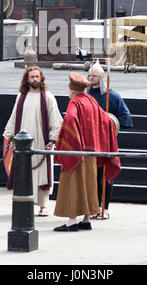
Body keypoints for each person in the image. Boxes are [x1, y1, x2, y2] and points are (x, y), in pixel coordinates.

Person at [53, 72, 121, 232]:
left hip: (76, 151)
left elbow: (69, 120)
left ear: (71, 90)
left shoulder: (74, 103)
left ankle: (71, 222)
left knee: (73, 185)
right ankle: (86, 219)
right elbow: (107, 121)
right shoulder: (91, 100)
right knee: (90, 185)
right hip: (92, 154)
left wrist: (71, 143)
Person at [3, 66, 63, 217]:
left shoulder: (48, 97)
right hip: (24, 143)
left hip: (42, 142)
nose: (35, 79)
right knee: (24, 173)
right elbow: (14, 117)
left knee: (42, 174)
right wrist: (10, 137)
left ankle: (43, 206)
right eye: (32, 77)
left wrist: (52, 139)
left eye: (37, 76)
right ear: (27, 79)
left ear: (41, 78)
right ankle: (25, 204)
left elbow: (55, 119)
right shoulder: (21, 96)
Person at [86, 59, 133, 219]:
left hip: (106, 141)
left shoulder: (112, 96)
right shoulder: (85, 95)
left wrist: (110, 121)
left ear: (101, 77)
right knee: (92, 175)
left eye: (94, 75)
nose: (91, 78)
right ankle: (94, 207)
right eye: (90, 75)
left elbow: (125, 116)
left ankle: (104, 208)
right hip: (90, 141)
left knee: (104, 175)